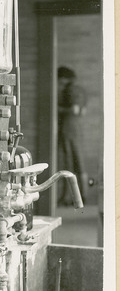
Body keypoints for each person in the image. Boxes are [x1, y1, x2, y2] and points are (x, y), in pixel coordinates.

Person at [57, 66, 88, 206]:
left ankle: (67, 198)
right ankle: (83, 195)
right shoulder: (81, 90)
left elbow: (74, 110)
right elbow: (81, 111)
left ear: (64, 78)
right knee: (79, 163)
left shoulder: (69, 90)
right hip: (78, 128)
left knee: (68, 163)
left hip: (68, 128)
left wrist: (57, 109)